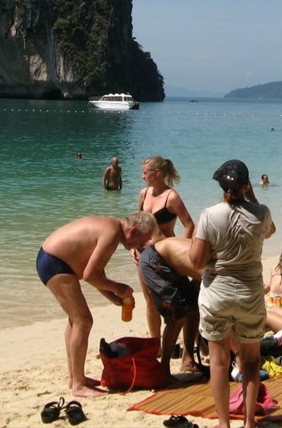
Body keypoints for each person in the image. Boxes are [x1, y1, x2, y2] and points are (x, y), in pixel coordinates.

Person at [189, 160, 275, 428]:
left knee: (219, 360)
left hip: (217, 293)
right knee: (250, 360)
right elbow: (270, 232)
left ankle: (224, 423)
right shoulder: (261, 213)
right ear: (246, 186)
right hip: (249, 292)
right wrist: (252, 197)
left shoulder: (209, 215)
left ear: (220, 185)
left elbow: (196, 261)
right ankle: (249, 422)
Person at [39, 212, 156, 397]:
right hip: (55, 263)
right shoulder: (110, 234)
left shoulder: (112, 228)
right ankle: (78, 385)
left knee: (75, 320)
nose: (141, 246)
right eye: (142, 240)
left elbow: (96, 274)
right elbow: (89, 276)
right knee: (83, 321)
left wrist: (114, 298)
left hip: (51, 260)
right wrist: (118, 287)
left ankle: (75, 378)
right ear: (132, 231)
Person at [136, 156, 195, 342]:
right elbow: (138, 223)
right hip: (143, 254)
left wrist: (181, 250)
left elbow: (189, 224)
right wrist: (133, 247)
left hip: (166, 256)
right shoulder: (143, 194)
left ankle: (190, 342)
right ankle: (156, 343)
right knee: (150, 301)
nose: (142, 177)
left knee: (180, 299)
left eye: (145, 173)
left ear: (158, 173)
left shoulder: (172, 197)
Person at [137, 236, 202, 378]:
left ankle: (187, 360)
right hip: (154, 261)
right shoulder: (212, 269)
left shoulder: (218, 264)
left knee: (194, 308)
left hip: (173, 262)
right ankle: (164, 369)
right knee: (177, 317)